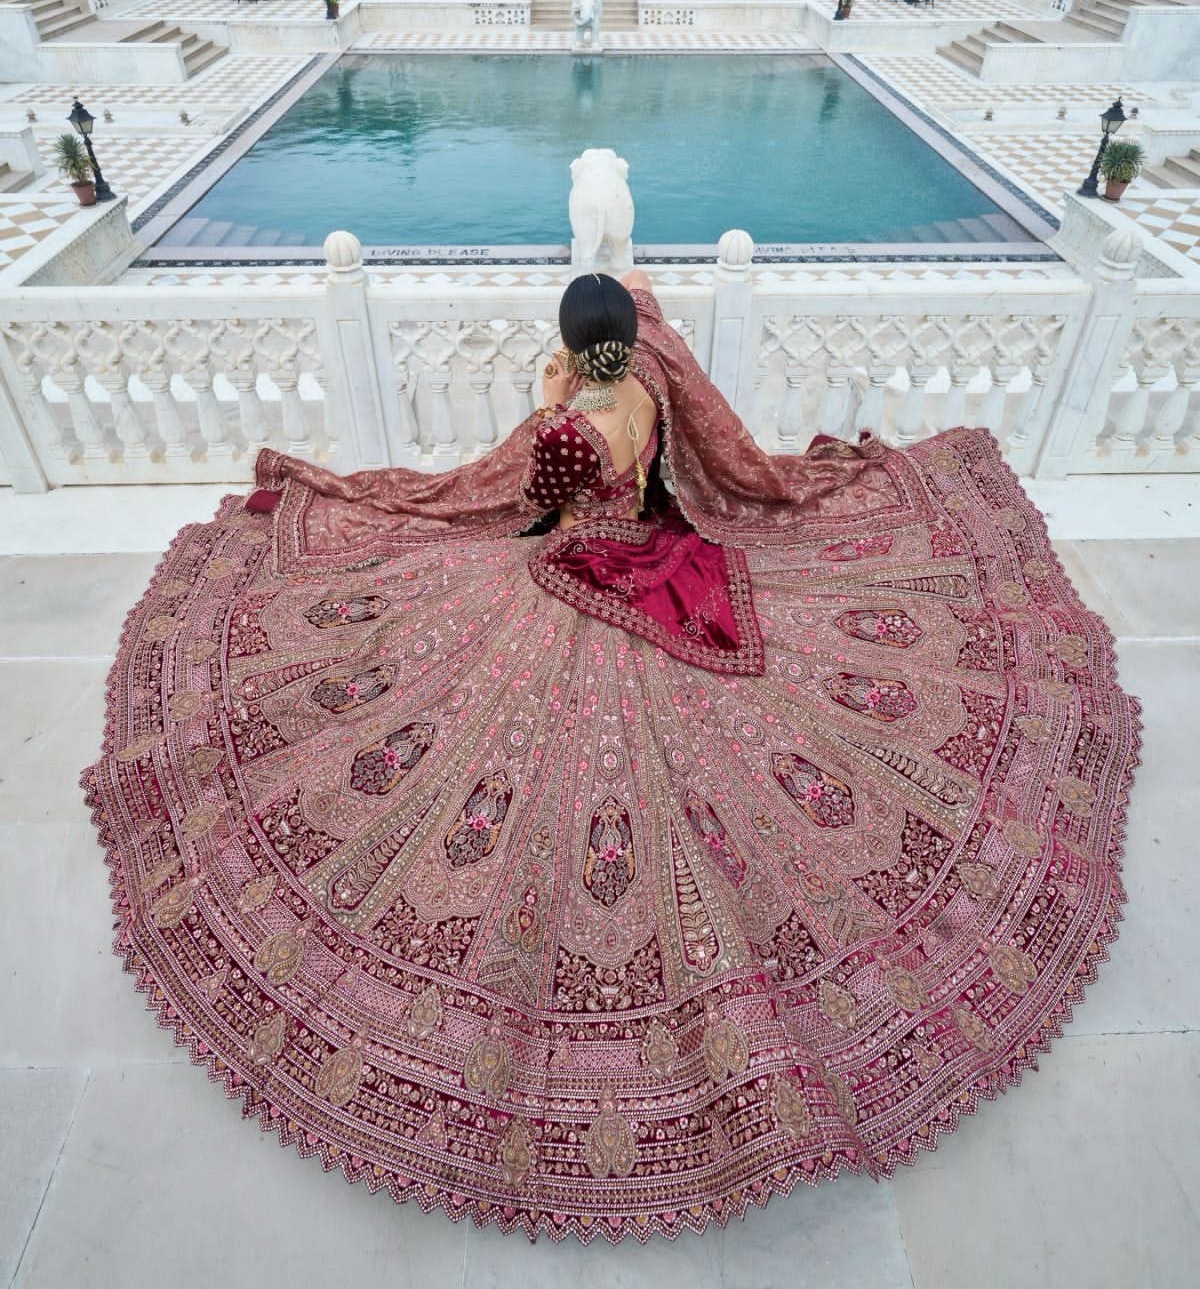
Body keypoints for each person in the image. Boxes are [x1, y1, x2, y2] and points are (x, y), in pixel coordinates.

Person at [84, 271, 1139, 1244]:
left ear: (572, 345)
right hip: (664, 547)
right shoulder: (648, 375)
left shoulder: (577, 422)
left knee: (433, 706)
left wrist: (546, 399)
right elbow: (636, 363)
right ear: (626, 340)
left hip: (588, 565)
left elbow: (544, 496)